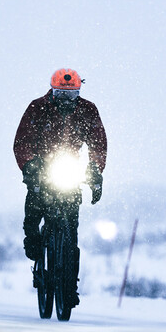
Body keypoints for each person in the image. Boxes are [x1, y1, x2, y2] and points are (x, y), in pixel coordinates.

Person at [13, 68, 107, 278]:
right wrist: (29, 165)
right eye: (61, 95)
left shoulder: (88, 110)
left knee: (71, 233)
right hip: (41, 170)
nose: (65, 100)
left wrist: (95, 170)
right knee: (33, 212)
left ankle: (70, 284)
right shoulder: (37, 107)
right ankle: (34, 243)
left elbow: (98, 143)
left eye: (71, 95)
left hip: (69, 172)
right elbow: (22, 142)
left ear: (78, 92)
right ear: (52, 91)